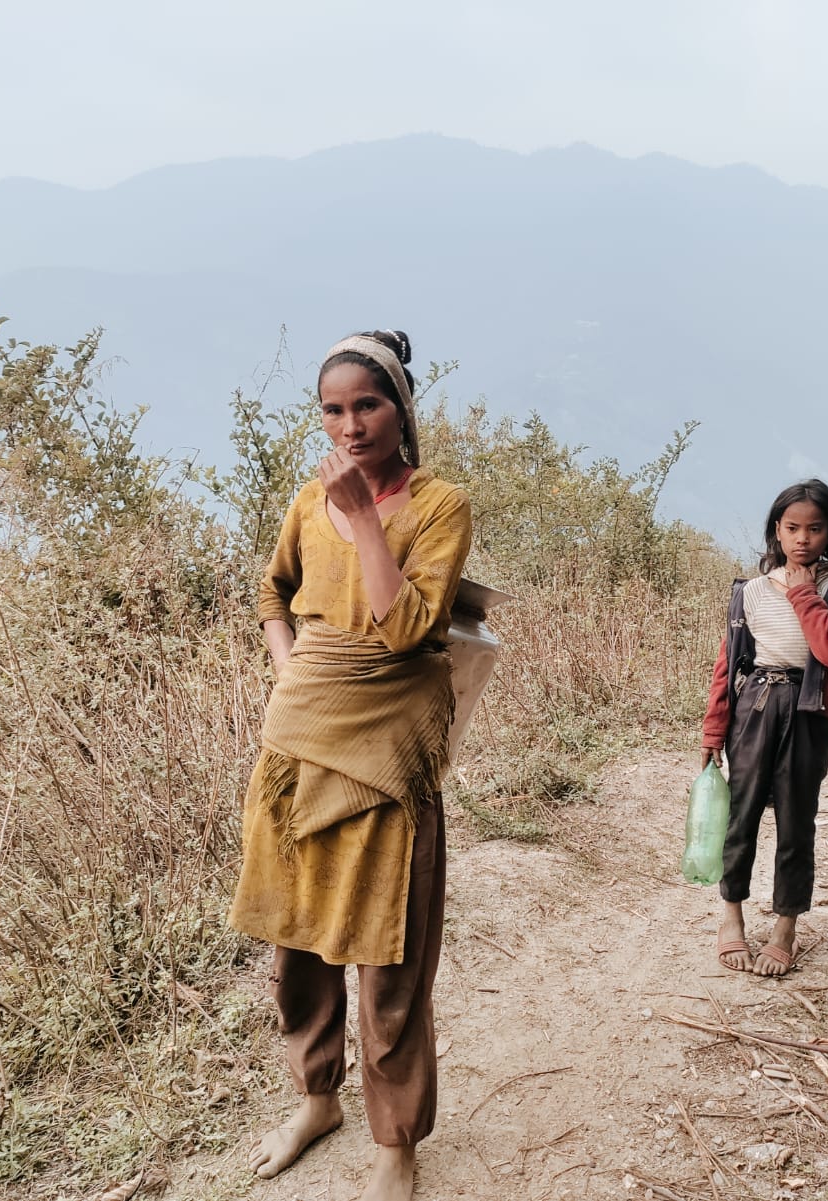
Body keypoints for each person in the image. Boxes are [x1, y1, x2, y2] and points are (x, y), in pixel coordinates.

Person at [227, 330, 472, 1201]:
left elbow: (408, 628)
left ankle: (396, 1143)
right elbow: (271, 592)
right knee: (300, 948)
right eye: (332, 410)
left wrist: (365, 515)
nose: (349, 425)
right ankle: (316, 1097)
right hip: (296, 748)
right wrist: (291, 671)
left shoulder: (439, 506)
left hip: (385, 758)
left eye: (366, 404)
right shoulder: (305, 501)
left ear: (401, 408)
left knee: (390, 958)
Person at [698, 479, 828, 976]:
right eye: (792, 527)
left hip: (807, 714)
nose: (803, 539)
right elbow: (727, 668)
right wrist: (712, 731)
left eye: (815, 528)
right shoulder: (748, 592)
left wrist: (804, 596)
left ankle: (786, 926)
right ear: (776, 529)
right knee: (740, 816)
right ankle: (731, 917)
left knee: (796, 825)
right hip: (754, 707)